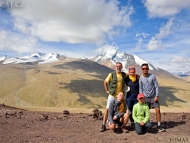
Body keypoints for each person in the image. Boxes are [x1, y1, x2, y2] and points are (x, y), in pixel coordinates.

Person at [100, 62, 127, 132]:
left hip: (120, 96)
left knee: (121, 109)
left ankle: (120, 123)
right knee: (108, 109)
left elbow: (131, 76)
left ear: (122, 67)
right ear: (115, 67)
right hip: (112, 95)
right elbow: (105, 81)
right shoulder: (111, 74)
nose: (118, 67)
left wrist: (138, 76)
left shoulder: (124, 75)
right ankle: (103, 125)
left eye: (120, 66)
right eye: (117, 66)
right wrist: (107, 90)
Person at [139, 63, 165, 132]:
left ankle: (159, 125)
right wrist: (141, 97)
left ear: (148, 69)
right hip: (145, 97)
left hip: (153, 97)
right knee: (146, 112)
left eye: (146, 68)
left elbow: (156, 86)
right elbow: (140, 89)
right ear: (142, 70)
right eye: (143, 69)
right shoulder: (141, 78)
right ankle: (147, 125)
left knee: (157, 110)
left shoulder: (152, 76)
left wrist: (157, 95)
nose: (145, 70)